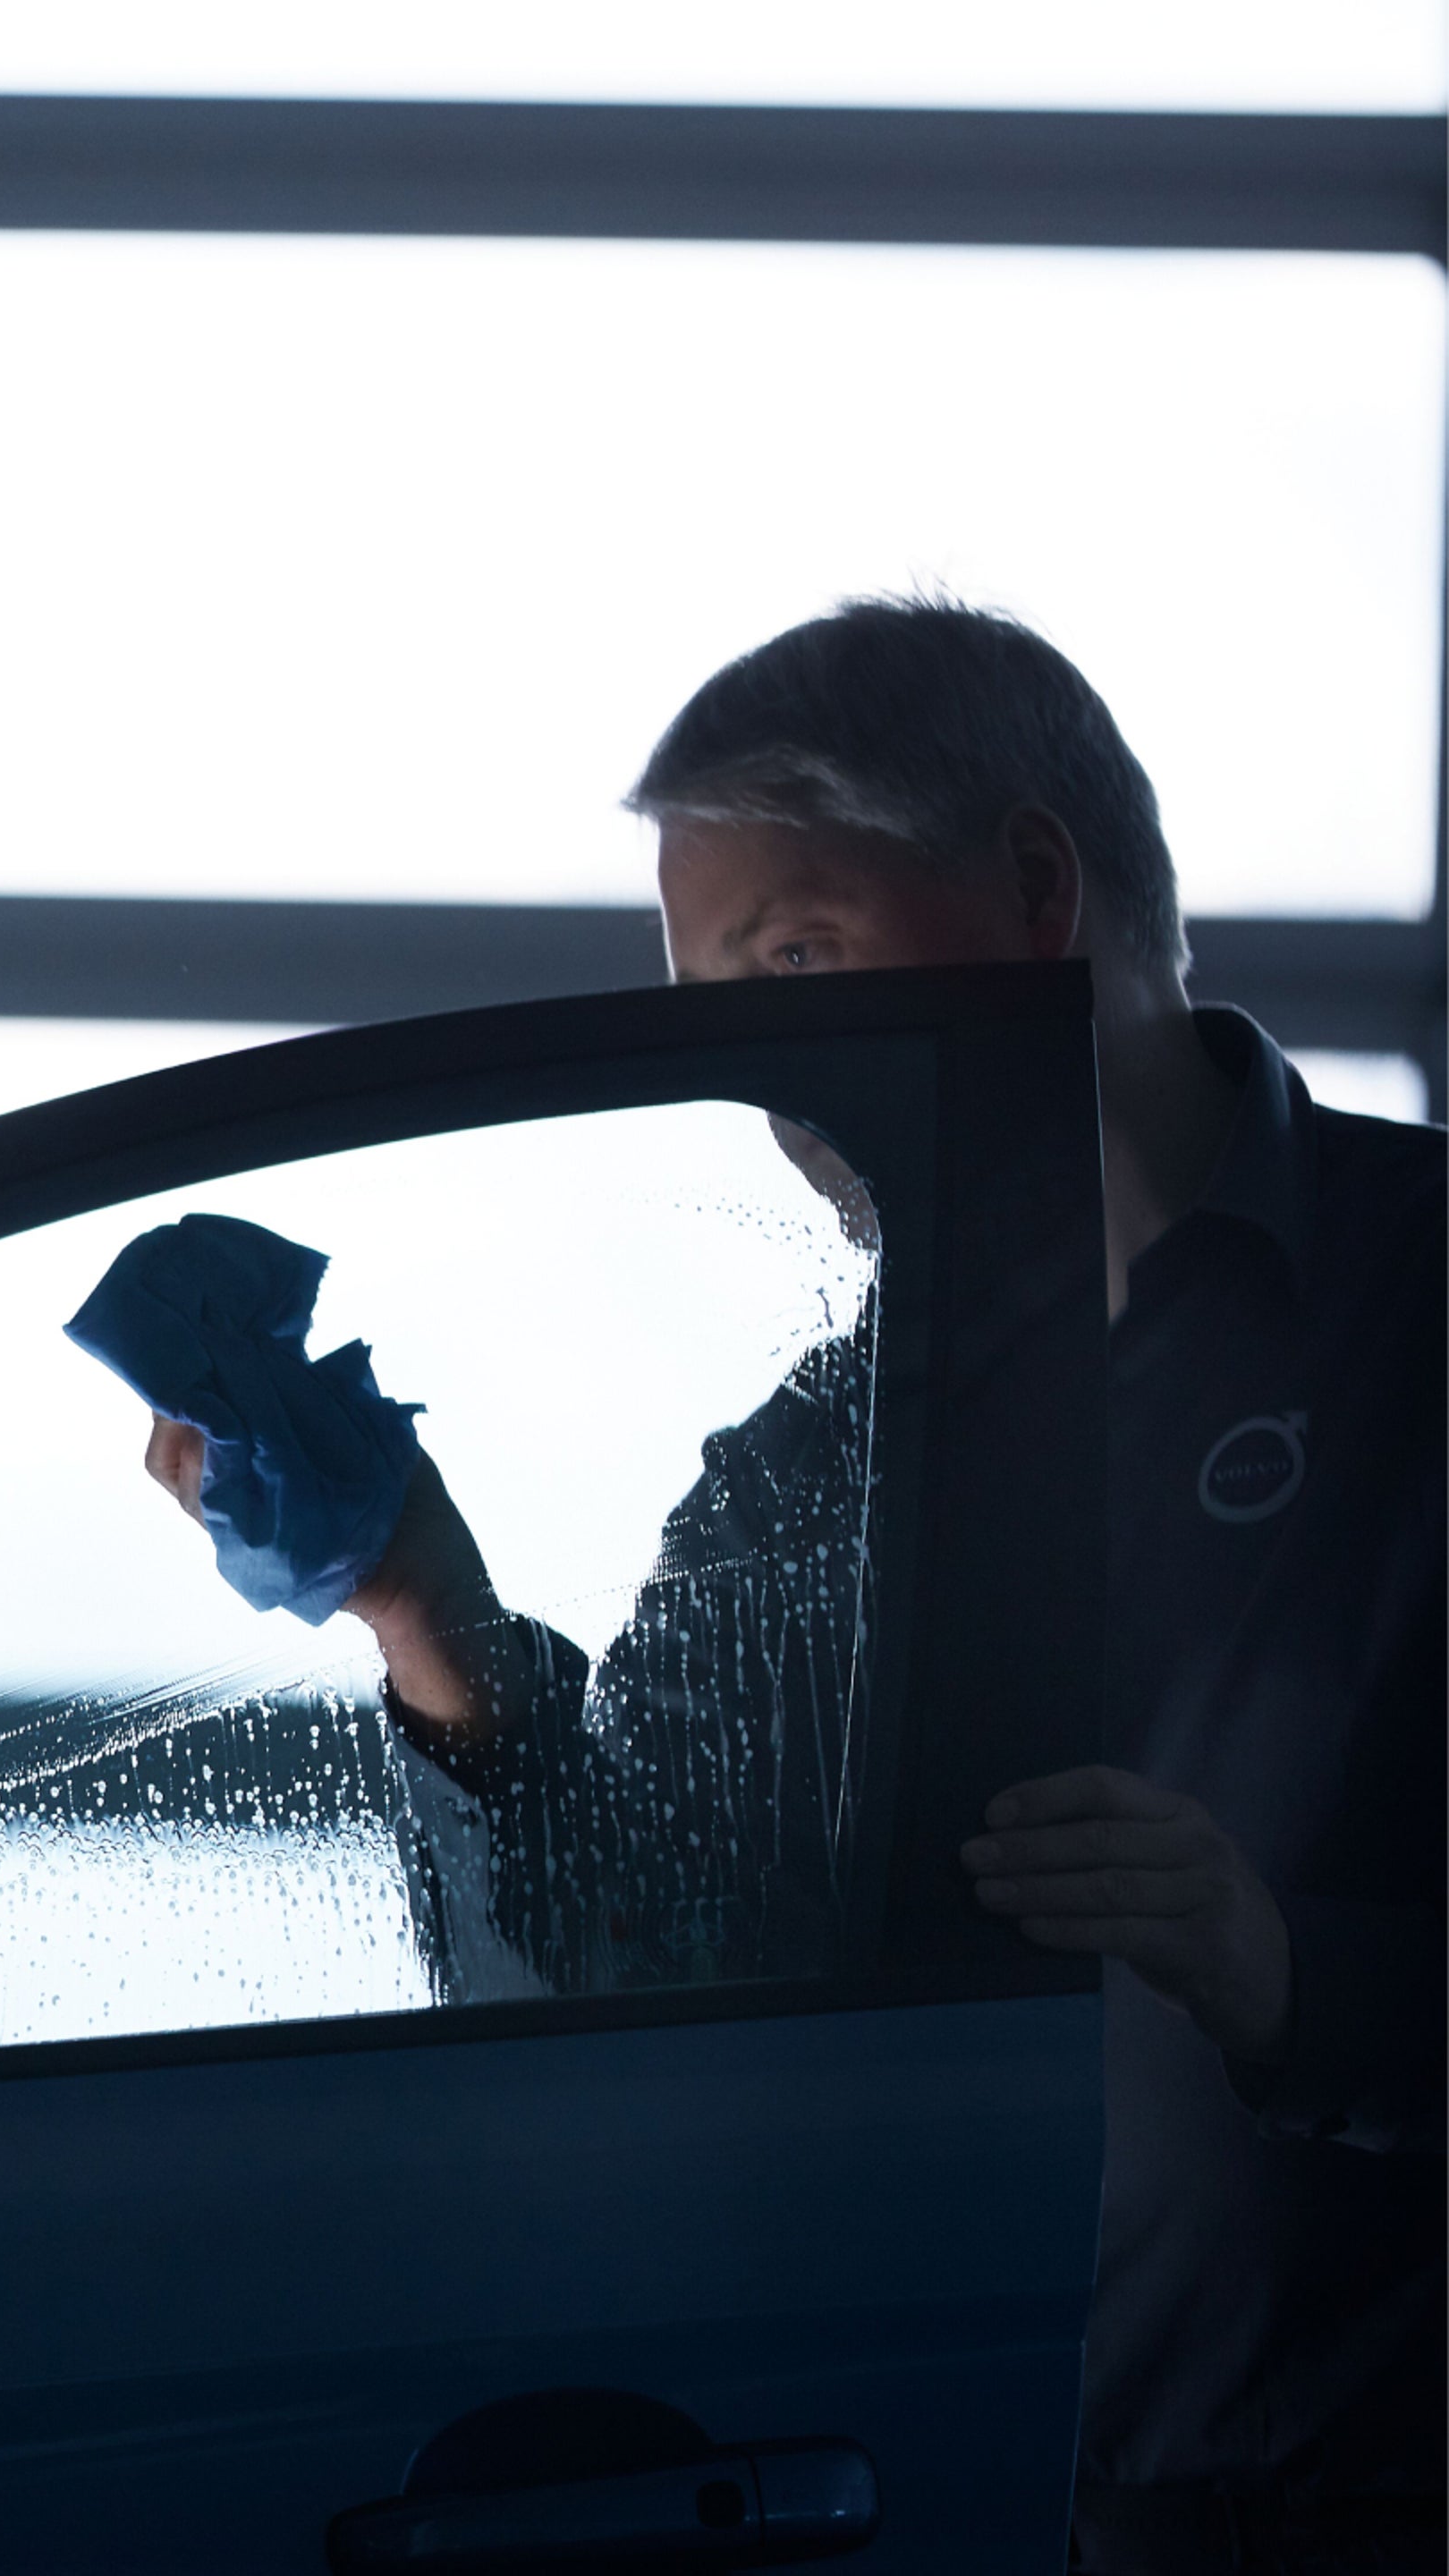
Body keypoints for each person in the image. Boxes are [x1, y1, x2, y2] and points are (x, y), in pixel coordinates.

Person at [143, 597, 1442, 2573]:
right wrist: (426, 1618)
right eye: (717, 1005)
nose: (766, 1064)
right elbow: (638, 1989)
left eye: (800, 957)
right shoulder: (799, 1474)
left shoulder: (1424, 1317)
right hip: (943, 2510)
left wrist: (1291, 1980)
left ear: (1031, 891)